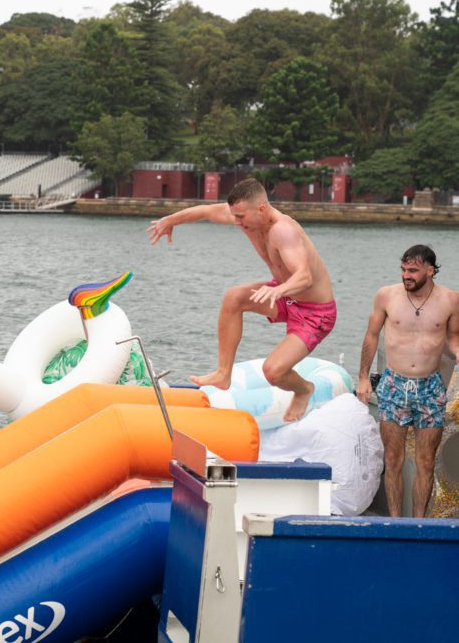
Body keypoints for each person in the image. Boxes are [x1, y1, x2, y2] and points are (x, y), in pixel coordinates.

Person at [147, 178, 336, 421]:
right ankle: (223, 373)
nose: (236, 223)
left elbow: (304, 276)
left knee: (273, 371)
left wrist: (279, 291)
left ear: (261, 209)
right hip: (285, 296)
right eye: (234, 216)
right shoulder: (248, 218)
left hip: (314, 313)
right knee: (234, 297)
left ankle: (304, 389)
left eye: (240, 217)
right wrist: (170, 220)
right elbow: (206, 211)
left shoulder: (283, 231)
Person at [357, 245, 459, 518]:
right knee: (393, 460)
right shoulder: (386, 296)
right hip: (393, 385)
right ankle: (393, 521)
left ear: (430, 269)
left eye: (412, 270)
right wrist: (363, 378)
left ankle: (418, 524)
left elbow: (453, 338)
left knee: (425, 462)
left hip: (430, 388)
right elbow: (371, 336)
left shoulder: (450, 300)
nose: (406, 275)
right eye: (403, 269)